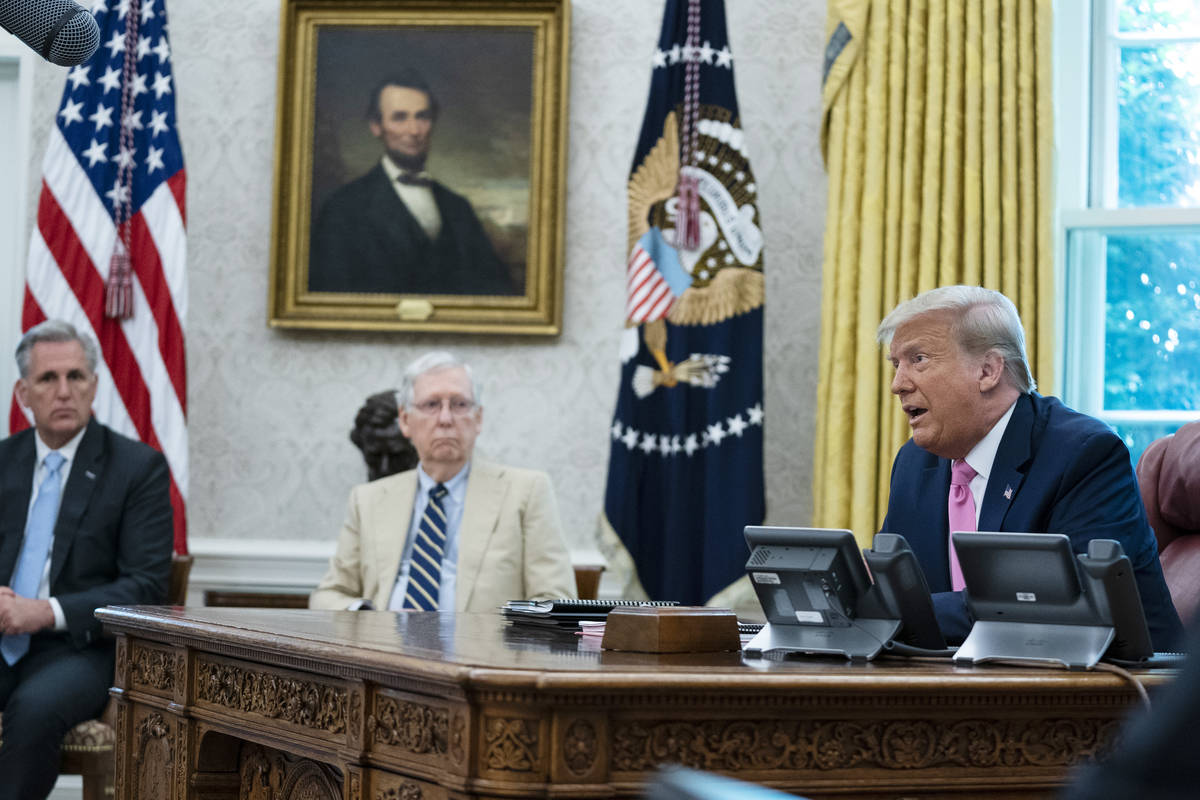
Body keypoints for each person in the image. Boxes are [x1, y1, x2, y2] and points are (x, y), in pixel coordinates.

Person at [876, 285, 1182, 649]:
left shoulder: (1084, 453)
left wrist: (897, 613)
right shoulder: (915, 463)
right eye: (896, 365)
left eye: (919, 360)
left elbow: (1059, 604)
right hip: (966, 685)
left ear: (988, 371)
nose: (897, 385)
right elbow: (894, 588)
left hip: (1117, 691)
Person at [0, 320, 173, 800]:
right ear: (23, 393)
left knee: (33, 710)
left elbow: (146, 587)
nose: (63, 391)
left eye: (76, 377)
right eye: (47, 379)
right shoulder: (3, 461)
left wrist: (45, 611)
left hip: (80, 648)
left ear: (94, 386)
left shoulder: (137, 469)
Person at [310, 351, 575, 612]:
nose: (446, 419)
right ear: (405, 421)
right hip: (382, 646)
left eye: (459, 404)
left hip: (483, 652)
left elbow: (554, 600)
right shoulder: (367, 499)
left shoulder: (526, 492)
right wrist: (367, 618)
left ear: (478, 418)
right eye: (431, 405)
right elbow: (328, 596)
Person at [308, 70, 519, 297]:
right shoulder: (343, 209)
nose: (414, 130)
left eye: (422, 117)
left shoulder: (458, 208)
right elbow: (330, 300)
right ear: (376, 127)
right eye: (400, 117)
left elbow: (498, 293)